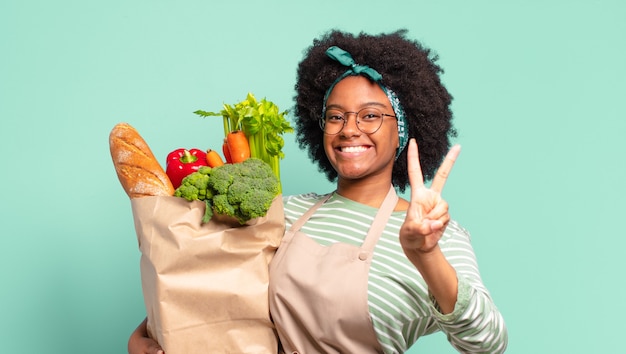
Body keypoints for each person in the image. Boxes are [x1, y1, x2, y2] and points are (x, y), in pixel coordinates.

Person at [128, 29, 508, 354]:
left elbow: (488, 342)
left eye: (371, 115)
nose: (349, 129)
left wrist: (425, 255)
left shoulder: (438, 237)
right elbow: (205, 289)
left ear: (404, 132)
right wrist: (141, 338)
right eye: (336, 115)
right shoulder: (285, 212)